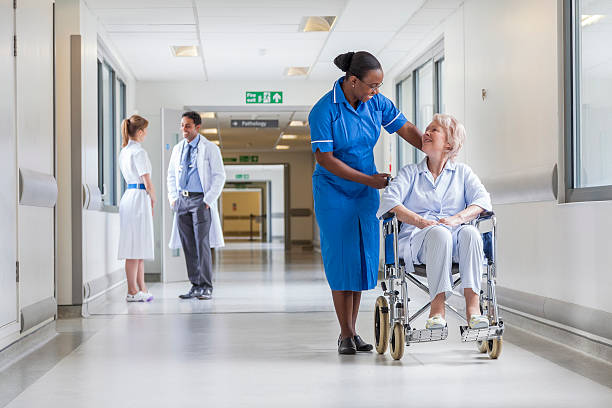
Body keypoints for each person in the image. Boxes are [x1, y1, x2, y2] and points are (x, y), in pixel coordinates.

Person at [309, 51, 423, 354]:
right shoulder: (324, 110)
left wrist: (435, 147)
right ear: (353, 80)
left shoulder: (376, 103)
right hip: (333, 190)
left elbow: (406, 128)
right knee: (340, 258)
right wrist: (369, 180)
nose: (377, 92)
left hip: (364, 192)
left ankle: (353, 331)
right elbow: (325, 159)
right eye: (372, 86)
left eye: (380, 86)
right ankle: (345, 333)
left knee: (361, 258)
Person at [377, 114, 492, 330]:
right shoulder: (410, 173)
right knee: (439, 233)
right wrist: (420, 221)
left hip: (456, 239)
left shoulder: (463, 173)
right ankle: (437, 309)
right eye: (427, 129)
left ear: (449, 143)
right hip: (418, 242)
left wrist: (457, 219)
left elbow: (483, 201)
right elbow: (389, 201)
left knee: (471, 233)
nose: (426, 133)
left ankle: (473, 309)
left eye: (434, 130)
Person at [167, 111, 226, 300]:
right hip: (182, 201)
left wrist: (208, 200)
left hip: (200, 201)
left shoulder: (210, 148)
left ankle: (207, 286)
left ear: (197, 127)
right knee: (188, 246)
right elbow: (171, 176)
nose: (184, 129)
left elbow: (219, 176)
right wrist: (173, 198)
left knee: (202, 245)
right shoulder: (177, 149)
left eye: (188, 126)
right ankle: (195, 285)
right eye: (182, 125)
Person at [118, 115, 155, 302]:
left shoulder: (124, 151)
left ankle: (141, 288)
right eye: (145, 131)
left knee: (137, 247)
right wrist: (153, 199)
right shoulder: (139, 152)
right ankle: (132, 291)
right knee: (134, 248)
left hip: (130, 197)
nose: (146, 134)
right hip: (139, 198)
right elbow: (147, 181)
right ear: (139, 132)